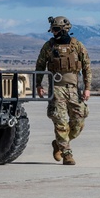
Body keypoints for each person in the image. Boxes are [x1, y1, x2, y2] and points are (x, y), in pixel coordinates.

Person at [36, 16, 91, 166]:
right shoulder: (49, 46)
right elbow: (40, 66)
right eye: (52, 30)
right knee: (60, 122)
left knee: (78, 122)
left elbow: (86, 67)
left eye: (55, 29)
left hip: (74, 90)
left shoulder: (77, 45)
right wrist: (38, 85)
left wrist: (87, 88)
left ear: (64, 29)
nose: (53, 33)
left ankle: (59, 143)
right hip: (57, 89)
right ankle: (67, 154)